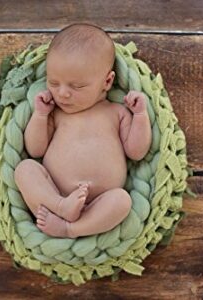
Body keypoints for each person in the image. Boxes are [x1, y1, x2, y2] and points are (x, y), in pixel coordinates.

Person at [14, 23, 152, 238]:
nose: (63, 94)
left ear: (107, 81)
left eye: (76, 87)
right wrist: (40, 115)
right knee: (24, 169)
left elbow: (136, 152)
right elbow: (35, 150)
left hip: (101, 202)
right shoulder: (56, 114)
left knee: (123, 200)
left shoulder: (117, 112)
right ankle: (60, 207)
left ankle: (70, 229)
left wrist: (141, 116)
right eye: (53, 83)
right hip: (53, 194)